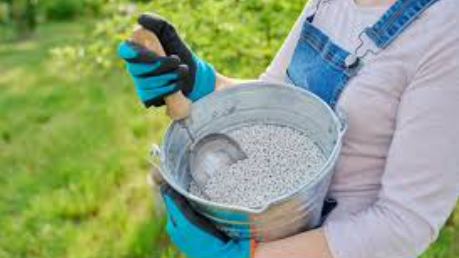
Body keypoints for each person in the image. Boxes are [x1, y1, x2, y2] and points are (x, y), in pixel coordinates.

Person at [117, 0, 459, 257]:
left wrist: (250, 256)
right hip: (267, 232)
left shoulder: (446, 31)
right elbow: (277, 98)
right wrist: (202, 83)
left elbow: (405, 223)